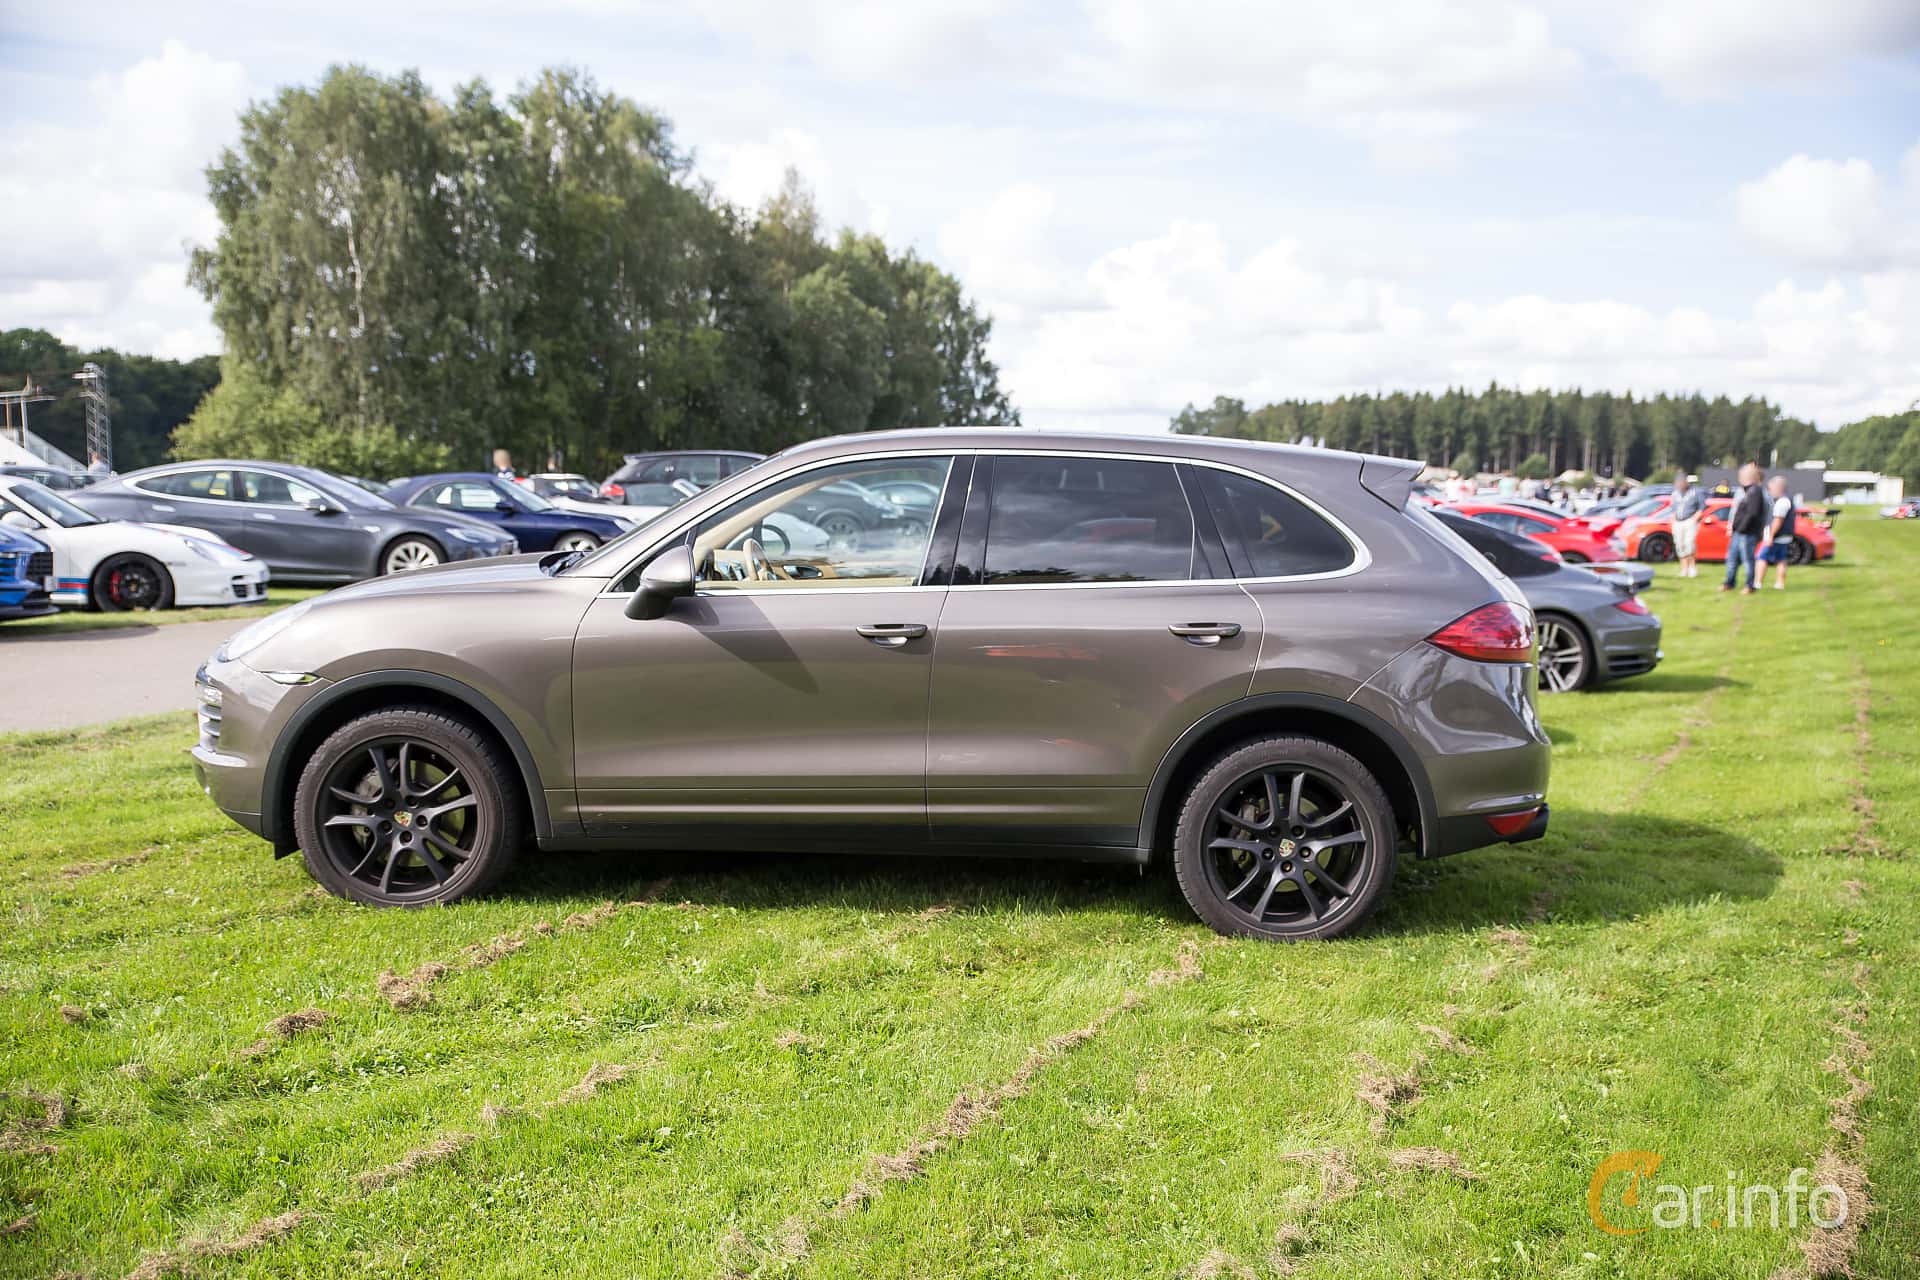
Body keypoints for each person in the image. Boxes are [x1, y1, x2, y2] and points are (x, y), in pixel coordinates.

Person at [1721, 463, 1766, 594]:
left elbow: (1752, 513)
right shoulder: (1746, 491)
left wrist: (1741, 528)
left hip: (1747, 533)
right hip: (1738, 532)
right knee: (1732, 558)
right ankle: (1729, 583)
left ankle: (1749, 586)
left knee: (1747, 560)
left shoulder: (1755, 491)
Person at [1755, 475, 1796, 590]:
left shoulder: (1782, 502)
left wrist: (1770, 537)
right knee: (1781, 559)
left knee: (1761, 558)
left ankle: (1757, 583)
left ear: (1778, 488)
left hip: (1776, 536)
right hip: (1784, 537)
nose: (1769, 490)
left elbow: (1778, 521)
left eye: (1771, 488)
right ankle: (1780, 584)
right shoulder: (1787, 500)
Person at [1670, 472, 1704, 578]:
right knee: (1680, 545)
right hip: (1678, 522)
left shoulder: (1695, 492)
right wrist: (1673, 521)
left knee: (1689, 545)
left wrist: (1694, 519)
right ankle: (1684, 568)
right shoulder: (1675, 494)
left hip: (1689, 520)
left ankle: (1692, 567)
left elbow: (1702, 508)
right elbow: (1673, 509)